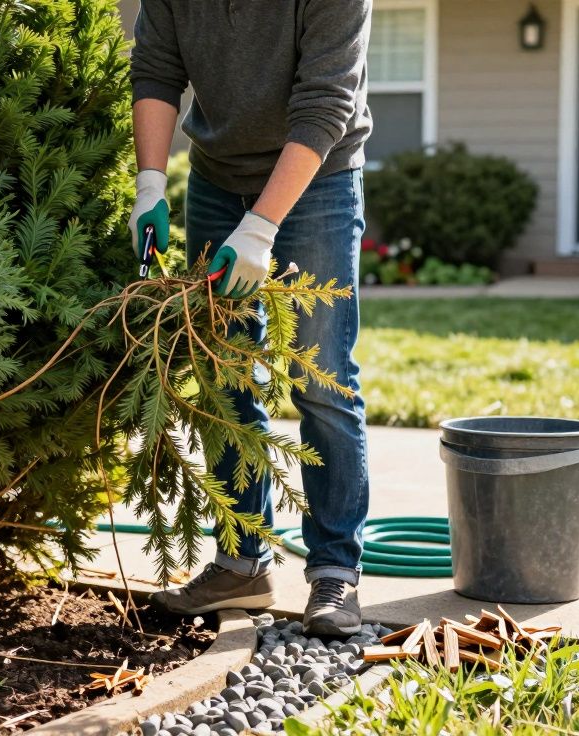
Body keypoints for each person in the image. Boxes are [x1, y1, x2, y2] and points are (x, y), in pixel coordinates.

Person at [129, 0, 372, 636]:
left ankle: (334, 572)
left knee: (321, 378)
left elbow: (326, 101)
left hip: (317, 179)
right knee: (225, 377)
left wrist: (262, 228)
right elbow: (156, 71)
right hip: (215, 178)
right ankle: (242, 563)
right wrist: (150, 184)